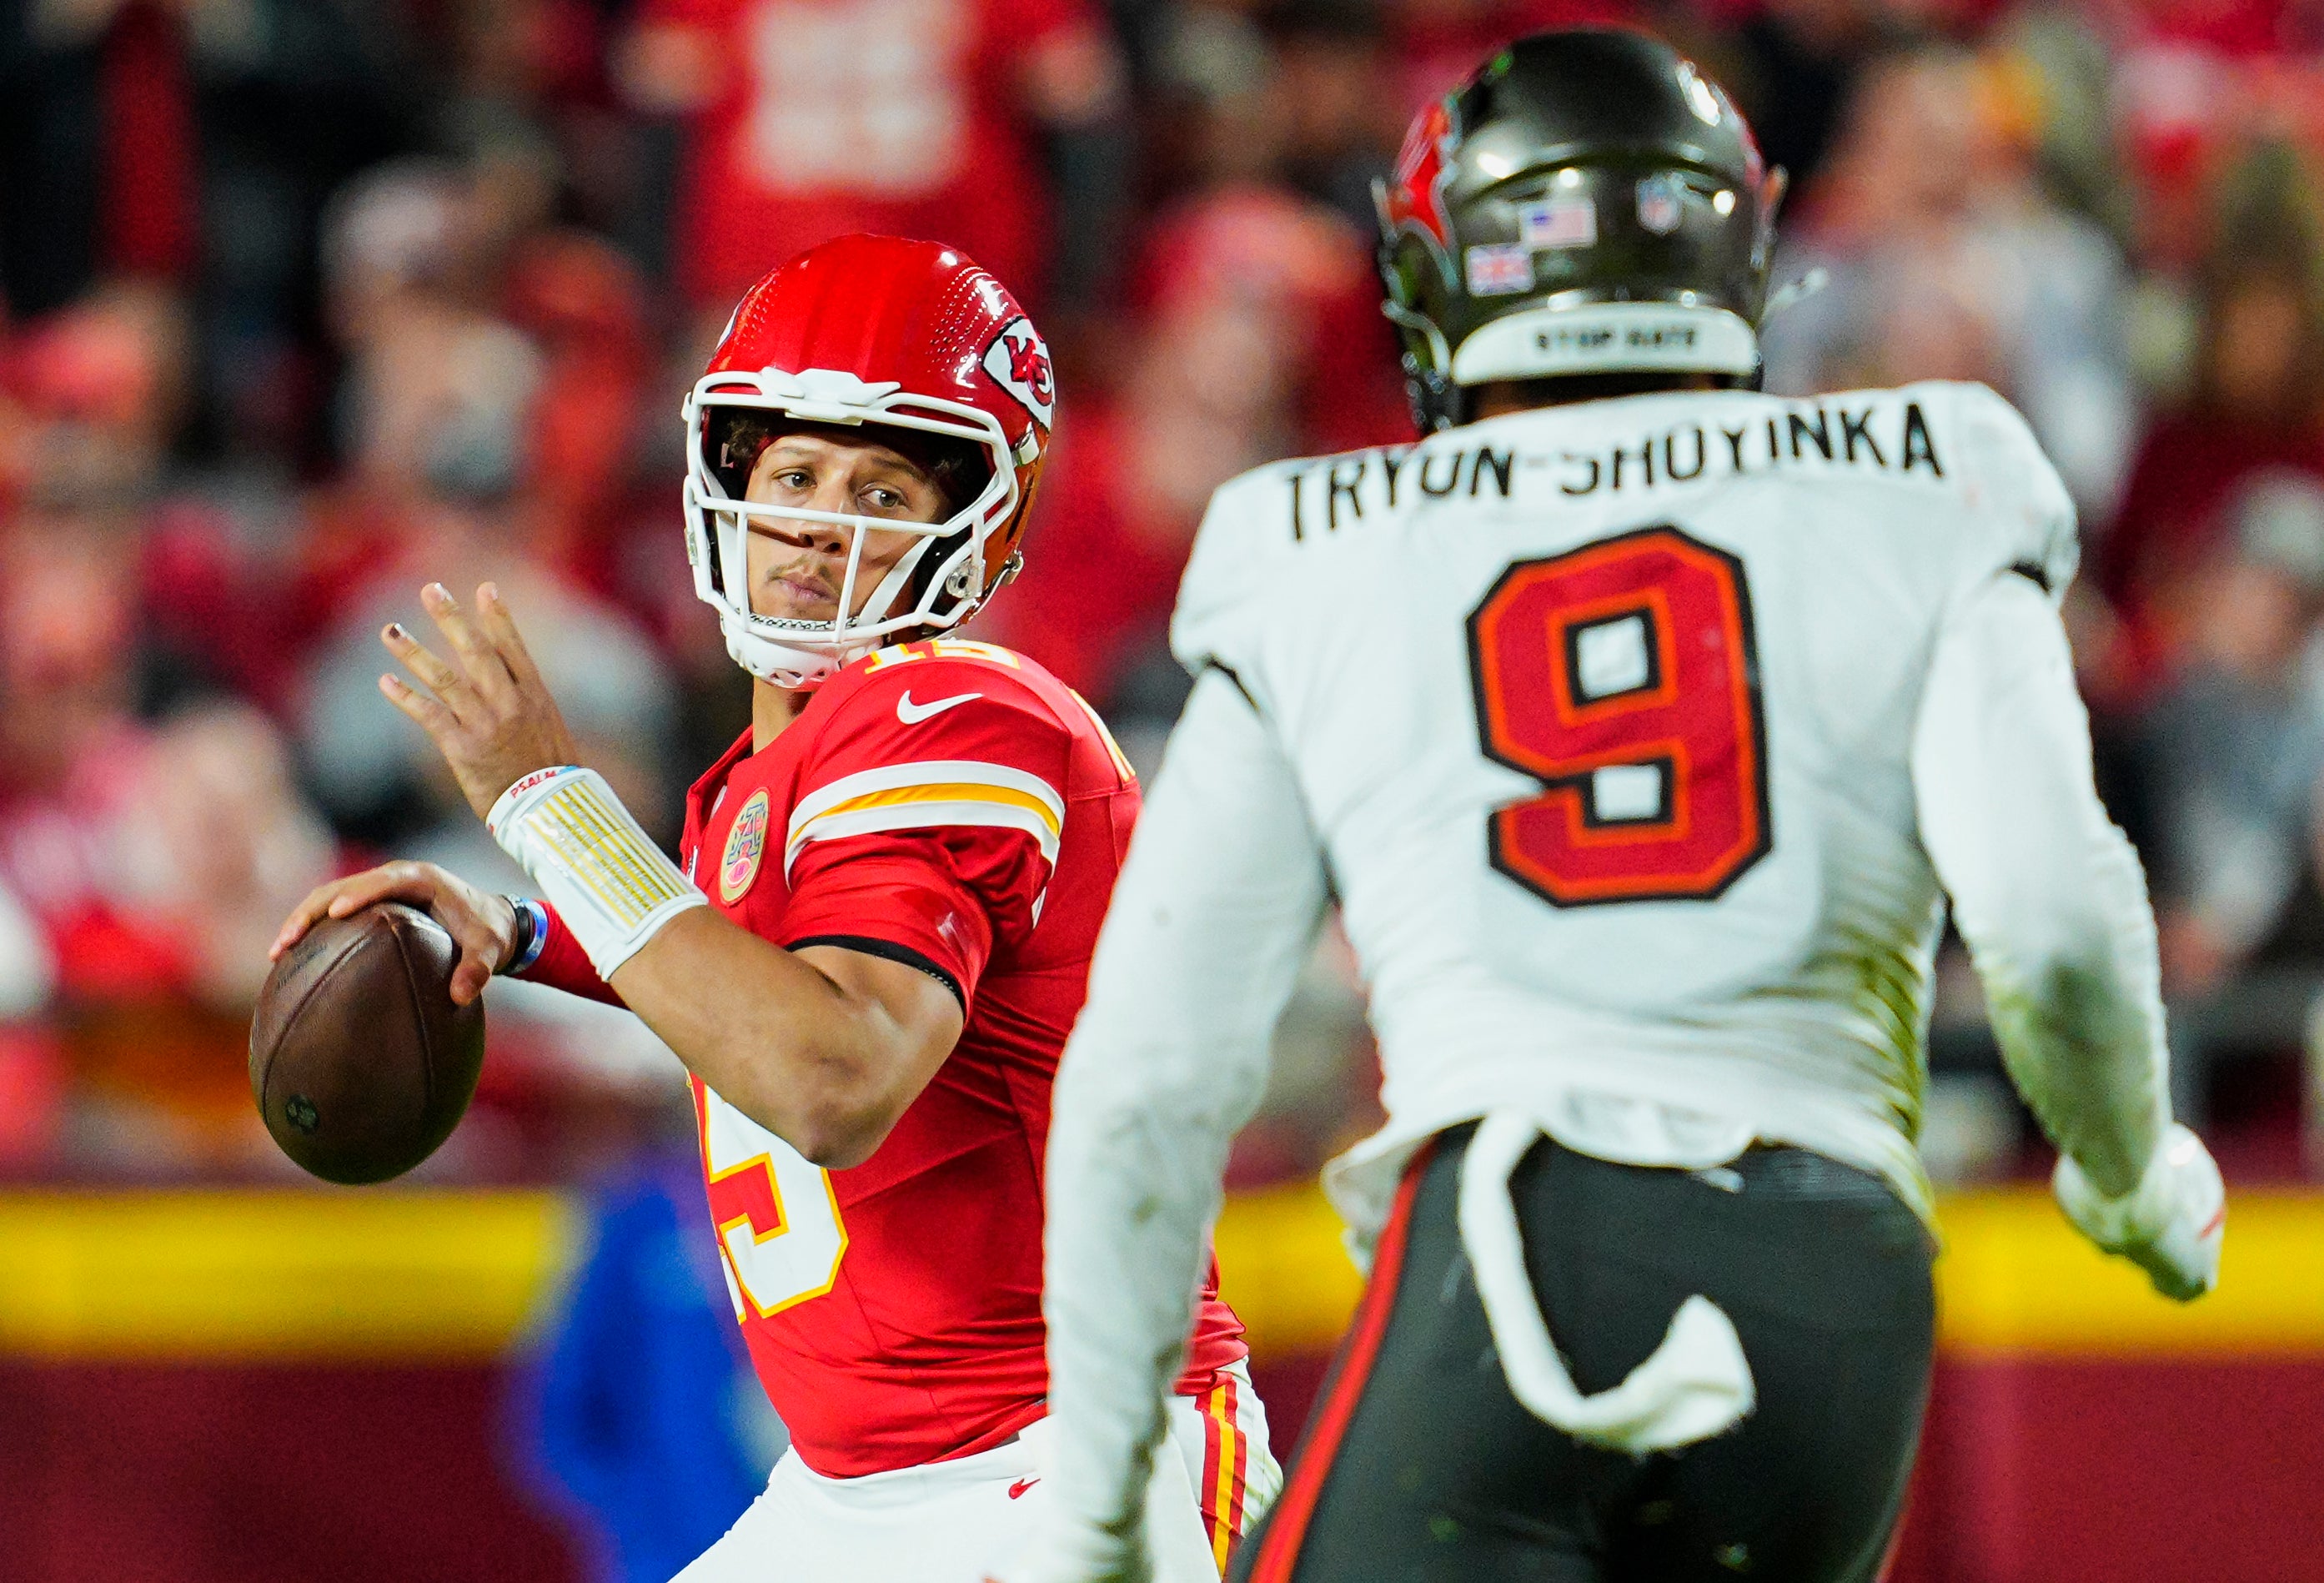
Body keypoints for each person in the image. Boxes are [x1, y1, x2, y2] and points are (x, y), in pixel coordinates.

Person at [1013, 33, 2226, 1583]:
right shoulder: (1934, 469)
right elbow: (2053, 920)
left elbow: (1151, 1071)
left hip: (1527, 1251)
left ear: (1447, 271)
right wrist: (2131, 1172)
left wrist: (1100, 1509)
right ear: (1738, 243)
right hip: (1838, 1289)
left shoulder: (1313, 537)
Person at [270, 234, 1271, 1582]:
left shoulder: (961, 713)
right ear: (727, 479)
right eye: (795, 474)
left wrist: (550, 804)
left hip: (1060, 1467)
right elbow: (752, 984)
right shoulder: (770, 776)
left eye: (881, 488)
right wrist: (525, 929)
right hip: (859, 1487)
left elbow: (831, 1074)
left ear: (977, 528)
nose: (817, 523)